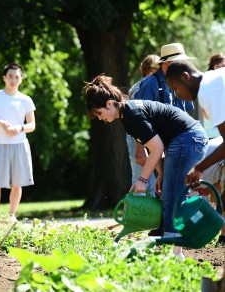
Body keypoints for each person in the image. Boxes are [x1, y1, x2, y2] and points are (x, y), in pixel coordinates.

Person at [82, 74, 208, 260]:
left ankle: (177, 252)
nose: (100, 119)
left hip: (189, 139)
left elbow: (157, 148)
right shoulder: (126, 117)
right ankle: (175, 248)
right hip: (182, 141)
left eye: (99, 113)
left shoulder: (133, 115)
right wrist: (160, 174)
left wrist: (142, 179)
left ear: (109, 103)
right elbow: (153, 147)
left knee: (172, 196)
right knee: (169, 192)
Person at [134, 43, 195, 236]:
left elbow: (188, 111)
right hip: (157, 142)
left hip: (179, 140)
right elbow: (139, 121)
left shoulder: (182, 82)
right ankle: (165, 226)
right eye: (181, 62)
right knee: (165, 184)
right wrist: (140, 149)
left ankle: (174, 225)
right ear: (167, 65)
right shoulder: (149, 84)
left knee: (175, 183)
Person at [166, 60, 225, 247]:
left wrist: (199, 168)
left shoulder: (207, 89)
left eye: (176, 88)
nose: (178, 95)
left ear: (185, 77)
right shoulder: (215, 80)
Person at [0, 62, 36, 222]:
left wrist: (19, 127)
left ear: (21, 79)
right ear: (4, 78)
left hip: (20, 145)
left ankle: (12, 216)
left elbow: (32, 125)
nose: (13, 80)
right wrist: (0, 123)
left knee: (17, 184)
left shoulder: (26, 100)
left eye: (16, 77)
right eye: (10, 76)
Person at [127, 54, 160, 197]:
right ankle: (140, 214)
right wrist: (139, 149)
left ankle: (153, 213)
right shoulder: (140, 88)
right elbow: (137, 120)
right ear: (148, 69)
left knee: (155, 176)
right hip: (138, 136)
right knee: (141, 175)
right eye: (156, 69)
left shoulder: (156, 85)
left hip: (150, 135)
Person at [199, 53, 225, 139]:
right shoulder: (206, 84)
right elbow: (205, 114)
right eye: (218, 66)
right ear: (212, 67)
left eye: (223, 65)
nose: (221, 68)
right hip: (212, 133)